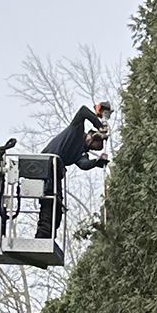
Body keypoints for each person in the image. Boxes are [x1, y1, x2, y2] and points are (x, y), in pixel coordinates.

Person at [36, 102, 110, 239]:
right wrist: (99, 125)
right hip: (46, 164)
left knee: (57, 206)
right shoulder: (75, 131)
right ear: (92, 135)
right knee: (49, 201)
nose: (92, 148)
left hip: (55, 170)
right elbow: (83, 111)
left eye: (95, 149)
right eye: (95, 145)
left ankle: (48, 237)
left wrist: (97, 162)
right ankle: (42, 235)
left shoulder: (81, 153)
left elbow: (84, 164)